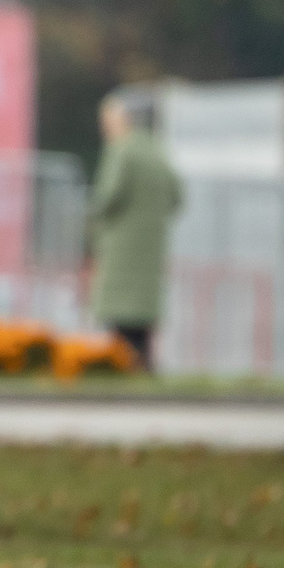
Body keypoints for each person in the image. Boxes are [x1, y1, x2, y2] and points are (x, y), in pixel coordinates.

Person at [90, 90, 183, 371]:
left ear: (123, 120)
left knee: (121, 316)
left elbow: (107, 197)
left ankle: (124, 365)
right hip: (152, 249)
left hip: (121, 250)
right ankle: (143, 364)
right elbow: (177, 196)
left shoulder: (122, 150)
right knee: (142, 320)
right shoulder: (157, 150)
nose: (104, 128)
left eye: (108, 121)